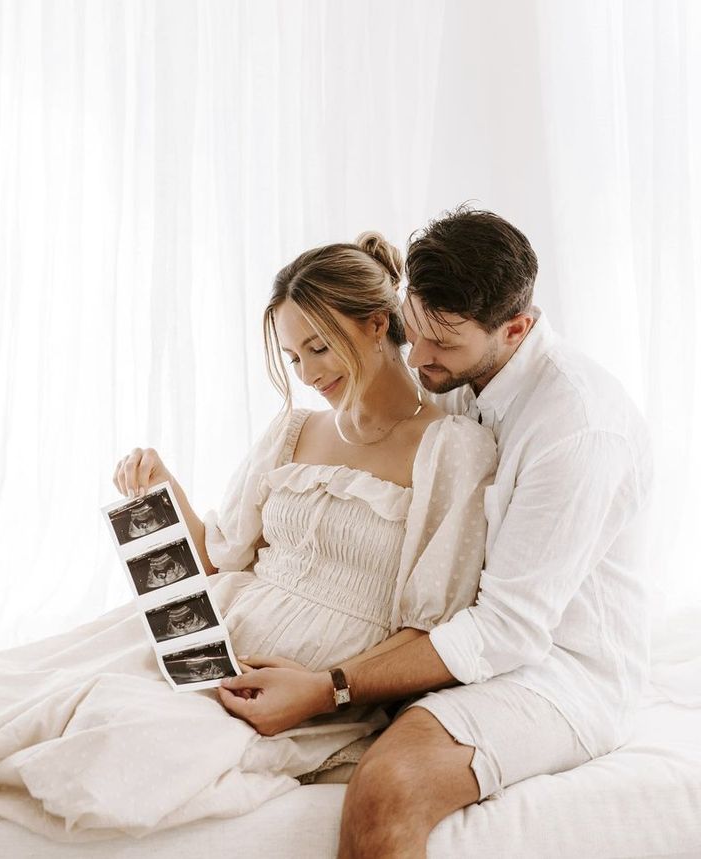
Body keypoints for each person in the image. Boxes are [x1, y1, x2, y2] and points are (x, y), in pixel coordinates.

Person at [0, 232, 496, 839]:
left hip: (302, 676)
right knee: (10, 691)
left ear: (379, 326)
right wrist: (164, 491)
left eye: (319, 348)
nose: (308, 374)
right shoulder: (294, 430)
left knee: (106, 759)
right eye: (295, 358)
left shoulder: (451, 448)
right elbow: (218, 559)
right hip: (213, 634)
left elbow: (435, 626)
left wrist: (329, 691)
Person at [219, 206, 654, 859]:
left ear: (516, 328)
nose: (418, 357)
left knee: (387, 785)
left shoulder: (577, 428)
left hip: (557, 670)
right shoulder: (455, 376)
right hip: (468, 644)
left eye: (442, 344)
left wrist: (331, 683)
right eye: (412, 328)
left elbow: (507, 630)